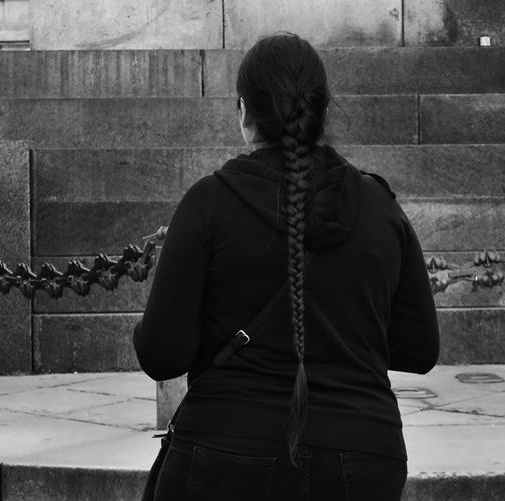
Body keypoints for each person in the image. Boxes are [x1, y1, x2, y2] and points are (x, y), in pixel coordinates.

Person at [133, 33, 439, 501]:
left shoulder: (208, 204)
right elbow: (419, 348)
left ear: (244, 113)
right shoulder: (380, 208)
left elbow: (161, 354)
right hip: (363, 450)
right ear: (322, 110)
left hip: (225, 446)